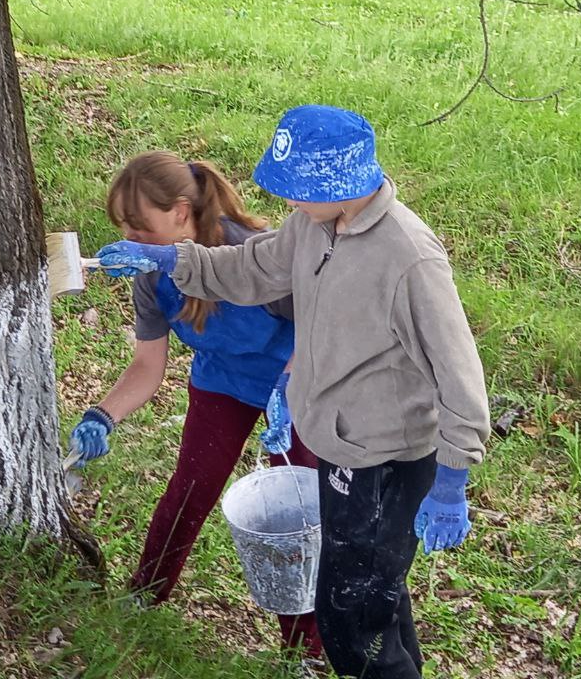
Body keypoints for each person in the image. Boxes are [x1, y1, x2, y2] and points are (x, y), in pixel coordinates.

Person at [95, 106, 491, 679]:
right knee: (374, 596)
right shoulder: (313, 226)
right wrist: (168, 259)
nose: (290, 204)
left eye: (299, 191)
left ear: (338, 183)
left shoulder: (409, 256)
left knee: (351, 610)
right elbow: (251, 268)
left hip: (386, 453)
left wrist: (453, 475)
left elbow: (458, 370)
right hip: (338, 440)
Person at [69, 150, 323, 660]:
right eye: (125, 228)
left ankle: (306, 651)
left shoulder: (253, 256)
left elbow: (322, 325)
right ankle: (144, 596)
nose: (133, 239)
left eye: (141, 226)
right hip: (222, 383)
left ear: (181, 211)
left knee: (293, 520)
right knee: (190, 489)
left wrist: (290, 386)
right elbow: (146, 365)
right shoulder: (150, 273)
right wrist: (102, 414)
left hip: (296, 388)